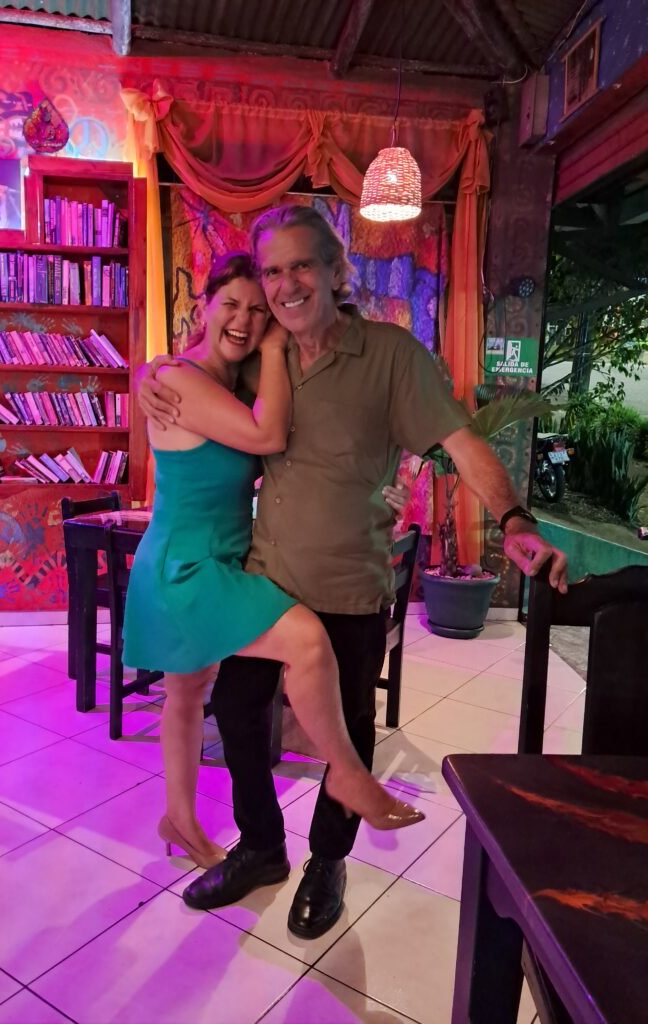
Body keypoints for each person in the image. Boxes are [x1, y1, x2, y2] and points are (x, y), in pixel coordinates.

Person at [140, 206, 568, 940]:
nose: (285, 285)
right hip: (265, 579)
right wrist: (147, 374)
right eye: (273, 271)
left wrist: (514, 519)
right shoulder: (261, 353)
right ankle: (262, 847)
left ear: (338, 272)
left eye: (302, 265)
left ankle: (328, 860)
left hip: (348, 582)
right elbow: (198, 362)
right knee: (238, 711)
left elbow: (462, 442)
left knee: (350, 725)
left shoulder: (392, 357)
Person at [123, 251, 425, 873]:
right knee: (307, 643)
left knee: (187, 693)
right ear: (203, 304)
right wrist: (263, 347)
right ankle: (348, 775)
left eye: (258, 311)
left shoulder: (229, 384)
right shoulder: (179, 378)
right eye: (231, 304)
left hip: (221, 558)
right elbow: (268, 438)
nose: (243, 319)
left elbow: (305, 452)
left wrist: (376, 489)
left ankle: (179, 817)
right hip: (188, 567)